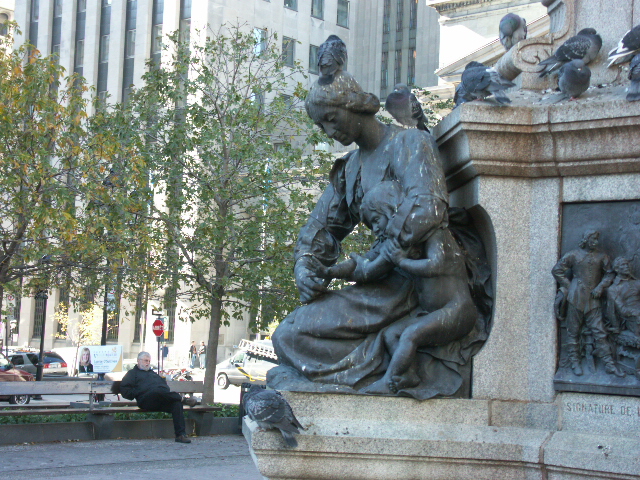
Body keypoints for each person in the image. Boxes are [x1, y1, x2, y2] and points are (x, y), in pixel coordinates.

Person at [269, 70, 489, 400]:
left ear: (353, 104)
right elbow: (321, 227)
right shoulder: (349, 169)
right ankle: (360, 372)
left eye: (331, 118)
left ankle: (376, 369)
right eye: (321, 126)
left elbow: (429, 206)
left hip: (418, 281)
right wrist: (307, 266)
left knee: (294, 337)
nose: (330, 131)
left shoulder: (410, 142)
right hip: (381, 283)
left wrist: (385, 255)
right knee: (287, 335)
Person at [315, 181, 477, 394]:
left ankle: (391, 380)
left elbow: (436, 265)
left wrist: (402, 262)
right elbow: (368, 267)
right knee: (391, 335)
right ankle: (408, 375)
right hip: (432, 311)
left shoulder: (435, 232)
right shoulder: (400, 243)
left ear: (390, 210)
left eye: (375, 221)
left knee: (410, 335)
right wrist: (330, 272)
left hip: (457, 310)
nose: (376, 229)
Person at [552, 230, 624, 377]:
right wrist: (570, 285)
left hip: (593, 300)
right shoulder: (573, 255)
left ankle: (609, 365)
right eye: (593, 239)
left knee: (600, 332)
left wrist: (601, 286)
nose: (595, 242)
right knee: (573, 332)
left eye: (597, 240)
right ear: (585, 240)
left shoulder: (602, 257)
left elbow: (610, 273)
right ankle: (575, 362)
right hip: (575, 298)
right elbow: (557, 270)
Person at [119, 351, 197, 443]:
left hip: (160, 399)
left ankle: (180, 435)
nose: (148, 363)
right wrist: (140, 391)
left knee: (176, 404)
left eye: (149, 361)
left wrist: (163, 390)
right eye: (145, 361)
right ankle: (183, 399)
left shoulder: (153, 373)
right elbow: (125, 391)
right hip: (146, 400)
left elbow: (165, 387)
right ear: (139, 361)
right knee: (156, 391)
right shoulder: (132, 374)